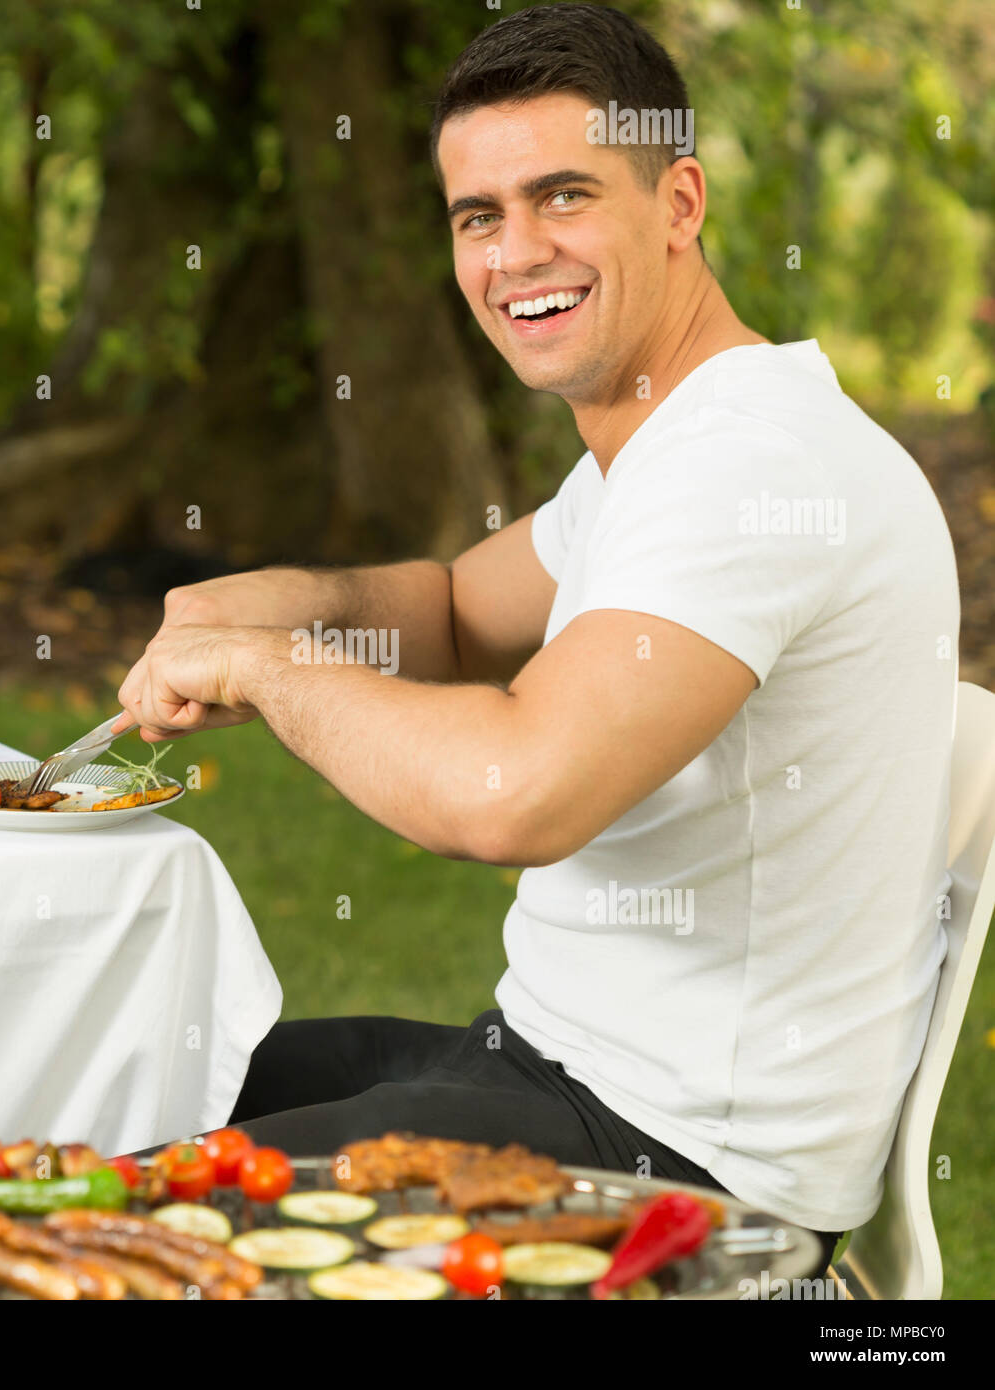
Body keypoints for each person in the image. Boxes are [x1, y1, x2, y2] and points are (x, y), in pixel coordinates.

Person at [114, 4, 958, 1271]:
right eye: (478, 215)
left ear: (678, 202)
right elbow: (455, 612)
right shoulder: (662, 447)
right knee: (116, 1085)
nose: (517, 252)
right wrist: (268, 603)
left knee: (125, 1230)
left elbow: (514, 796)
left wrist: (262, 667)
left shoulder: (750, 466)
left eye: (561, 196)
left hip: (677, 1165)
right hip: (542, 1064)